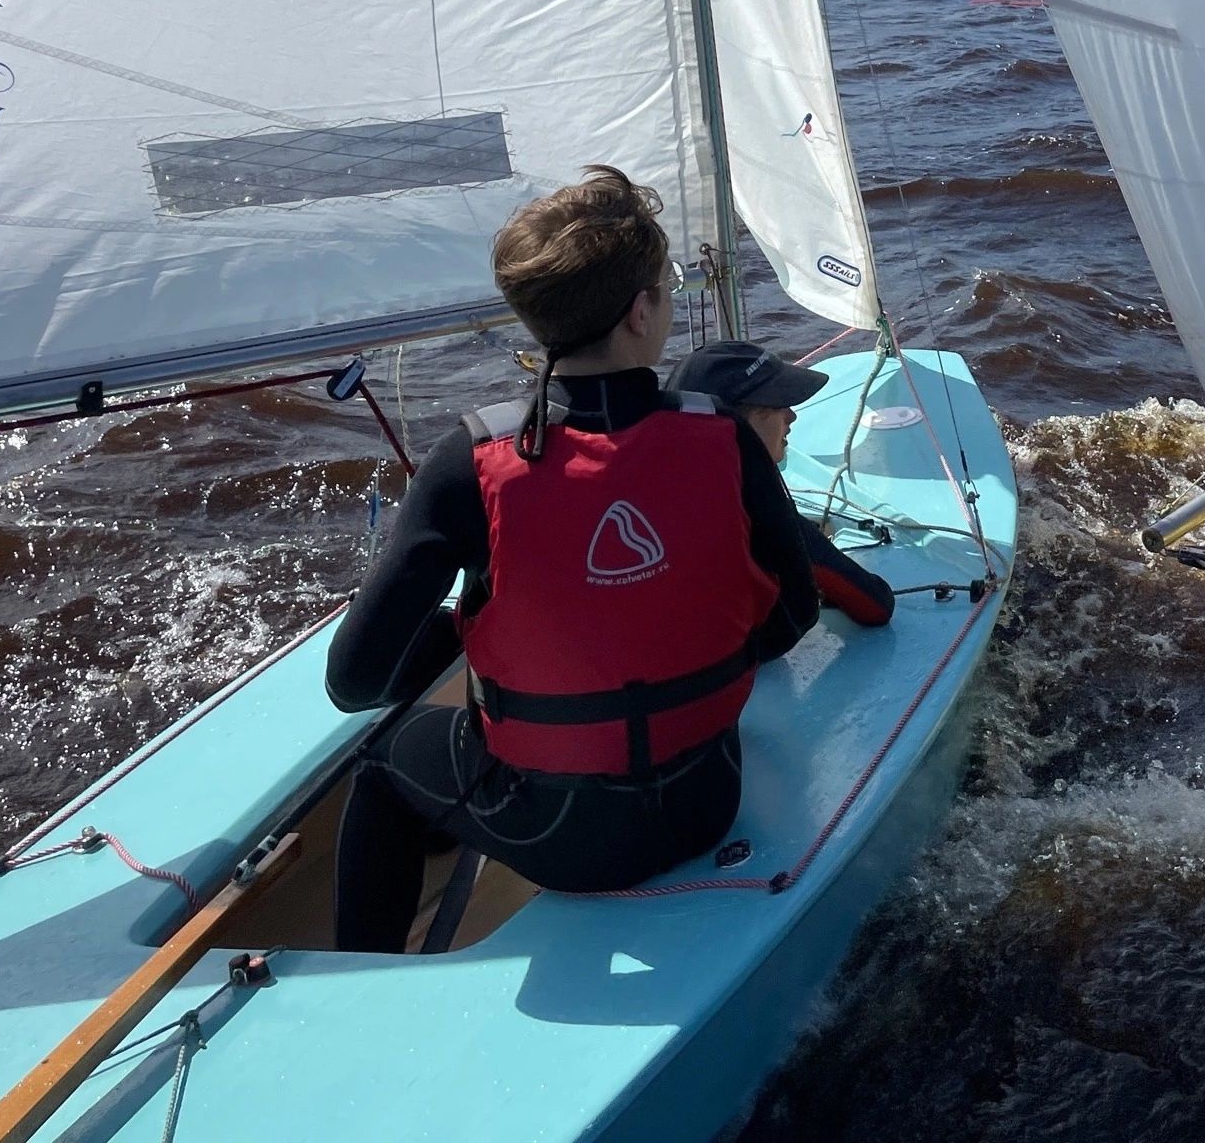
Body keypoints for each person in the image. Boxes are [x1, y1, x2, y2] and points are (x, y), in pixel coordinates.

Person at [324, 167, 819, 953]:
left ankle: (365, 991)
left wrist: (499, 636)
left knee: (385, 766)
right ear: (641, 310)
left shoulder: (470, 463)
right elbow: (793, 617)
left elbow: (354, 684)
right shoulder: (723, 436)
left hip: (558, 836)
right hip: (702, 801)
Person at [666, 339, 895, 627]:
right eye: (777, 405)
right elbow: (875, 605)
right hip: (740, 665)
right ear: (736, 425)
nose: (792, 416)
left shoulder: (647, 494)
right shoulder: (762, 512)